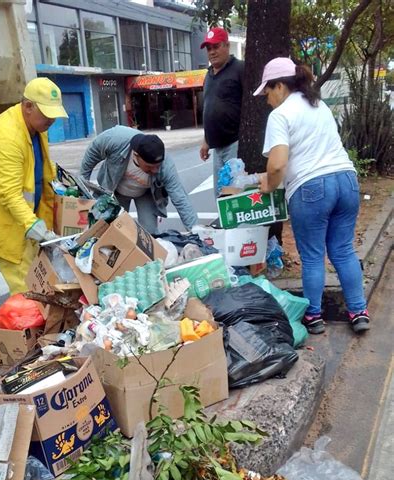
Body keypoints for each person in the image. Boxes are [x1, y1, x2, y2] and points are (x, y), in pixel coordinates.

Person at [254, 57, 370, 334]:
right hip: (346, 181)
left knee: (313, 256)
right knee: (343, 250)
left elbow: (278, 163)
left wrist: (268, 184)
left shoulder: (280, 115)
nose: (267, 98)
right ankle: (358, 311)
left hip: (311, 188)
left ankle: (314, 316)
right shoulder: (319, 106)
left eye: (267, 91)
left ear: (279, 86)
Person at [0, 77, 68, 294]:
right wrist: (33, 225)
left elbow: (39, 167)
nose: (52, 120)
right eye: (47, 114)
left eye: (54, 114)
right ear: (28, 106)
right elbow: (10, 194)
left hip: (24, 219)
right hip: (4, 224)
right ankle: (26, 326)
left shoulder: (36, 127)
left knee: (41, 282)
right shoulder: (7, 137)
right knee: (28, 291)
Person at [80, 126, 197, 233]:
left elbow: (181, 198)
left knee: (150, 233)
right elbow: (92, 154)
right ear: (136, 155)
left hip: (146, 194)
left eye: (158, 166)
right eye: (150, 167)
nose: (156, 170)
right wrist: (81, 187)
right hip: (115, 189)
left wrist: (197, 233)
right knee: (110, 229)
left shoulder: (166, 165)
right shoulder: (115, 139)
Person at [199, 27, 244, 194]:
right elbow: (209, 107)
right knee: (220, 194)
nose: (212, 52)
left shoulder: (239, 68)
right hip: (216, 147)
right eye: (209, 48)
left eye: (216, 46)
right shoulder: (208, 75)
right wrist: (206, 140)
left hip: (234, 142)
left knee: (232, 194)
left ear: (227, 45)